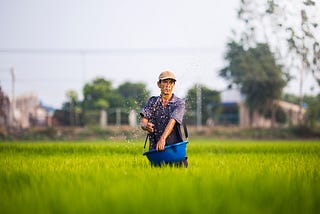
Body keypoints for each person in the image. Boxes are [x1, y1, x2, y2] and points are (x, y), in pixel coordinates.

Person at [140, 71, 188, 167]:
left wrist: (162, 139)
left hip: (175, 150)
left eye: (171, 82)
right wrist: (146, 126)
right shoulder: (153, 102)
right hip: (156, 152)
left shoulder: (179, 103)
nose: (168, 85)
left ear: (174, 85)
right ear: (159, 84)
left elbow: (172, 121)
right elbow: (143, 121)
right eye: (165, 82)